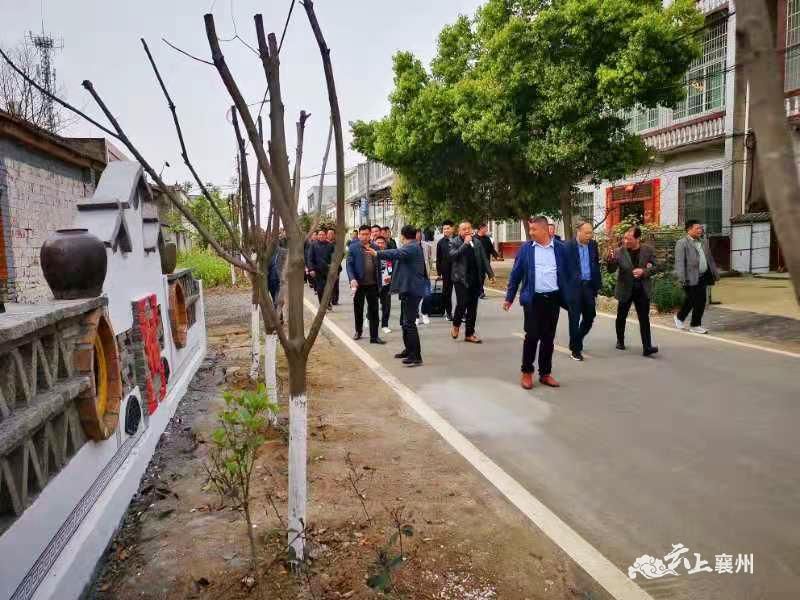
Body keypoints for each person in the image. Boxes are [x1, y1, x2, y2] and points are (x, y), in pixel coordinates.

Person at [504, 216, 567, 389]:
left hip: (553, 299)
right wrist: (509, 298)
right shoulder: (526, 250)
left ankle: (545, 373)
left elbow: (568, 274)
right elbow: (516, 275)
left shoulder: (560, 249)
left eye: (534, 230)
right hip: (533, 299)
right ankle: (527, 372)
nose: (530, 233)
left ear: (545, 230)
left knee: (548, 338)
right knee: (532, 337)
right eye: (530, 229)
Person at [367, 225, 428, 366]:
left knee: (409, 323)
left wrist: (377, 253)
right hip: (408, 289)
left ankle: (416, 356)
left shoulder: (411, 247)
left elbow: (396, 253)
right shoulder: (413, 246)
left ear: (402, 236)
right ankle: (409, 350)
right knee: (405, 322)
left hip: (412, 290)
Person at [607, 226, 659, 357]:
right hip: (625, 288)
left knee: (644, 319)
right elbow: (611, 270)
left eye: (629, 239)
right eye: (624, 238)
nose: (625, 241)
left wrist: (644, 271)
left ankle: (647, 347)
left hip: (642, 289)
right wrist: (611, 260)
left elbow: (657, 266)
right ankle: (620, 340)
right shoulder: (619, 251)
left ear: (637, 239)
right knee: (621, 317)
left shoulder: (648, 250)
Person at [449, 221, 495, 343]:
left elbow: (484, 259)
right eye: (464, 229)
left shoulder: (477, 242)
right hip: (460, 279)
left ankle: (469, 334)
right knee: (462, 303)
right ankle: (456, 325)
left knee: (472, 307)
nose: (467, 231)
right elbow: (453, 256)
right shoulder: (454, 242)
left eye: (469, 228)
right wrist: (465, 244)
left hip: (475, 278)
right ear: (459, 231)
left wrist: (490, 274)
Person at [563, 221, 601, 361]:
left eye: (591, 232)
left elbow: (595, 263)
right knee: (574, 319)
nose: (590, 236)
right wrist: (565, 288)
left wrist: (597, 285)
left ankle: (576, 340)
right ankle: (575, 350)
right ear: (578, 232)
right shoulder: (567, 247)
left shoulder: (593, 245)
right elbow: (562, 269)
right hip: (574, 288)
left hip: (589, 286)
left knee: (590, 316)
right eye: (587, 233)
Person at [674, 220, 720, 334]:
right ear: (689, 230)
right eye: (697, 228)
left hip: (703, 276)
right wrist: (682, 279)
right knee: (696, 301)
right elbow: (679, 263)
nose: (700, 230)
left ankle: (680, 318)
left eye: (700, 228)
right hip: (690, 277)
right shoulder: (682, 243)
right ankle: (695, 325)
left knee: (696, 300)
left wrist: (715, 273)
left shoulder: (703, 242)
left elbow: (709, 259)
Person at [346, 225, 385, 344]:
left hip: (373, 284)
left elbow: (381, 264)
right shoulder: (353, 248)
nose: (364, 236)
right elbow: (349, 265)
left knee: (374, 310)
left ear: (370, 235)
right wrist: (352, 279)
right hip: (359, 284)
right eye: (362, 234)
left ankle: (374, 336)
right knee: (358, 309)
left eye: (367, 234)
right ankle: (358, 331)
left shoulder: (376, 247)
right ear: (359, 235)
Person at [308, 228, 335, 309]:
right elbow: (310, 258)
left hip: (328, 271)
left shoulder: (330, 245)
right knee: (320, 289)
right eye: (319, 235)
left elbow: (335, 257)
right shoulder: (313, 245)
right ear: (317, 236)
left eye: (323, 234)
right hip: (317, 271)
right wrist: (311, 269)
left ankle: (328, 303)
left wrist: (334, 268)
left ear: (325, 235)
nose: (321, 236)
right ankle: (322, 304)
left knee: (328, 288)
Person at [436, 220, 455, 320]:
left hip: (457, 271)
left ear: (452, 228)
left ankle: (461, 312)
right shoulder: (440, 243)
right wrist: (439, 273)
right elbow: (438, 258)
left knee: (461, 293)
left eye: (448, 228)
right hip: (446, 271)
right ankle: (448, 313)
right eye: (444, 229)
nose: (446, 230)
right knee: (447, 292)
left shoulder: (458, 240)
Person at [475, 224, 500, 299]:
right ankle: (480, 291)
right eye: (485, 228)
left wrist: (496, 256)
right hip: (477, 261)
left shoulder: (487, 239)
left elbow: (491, 249)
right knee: (478, 276)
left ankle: (480, 291)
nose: (486, 230)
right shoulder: (474, 238)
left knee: (482, 276)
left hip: (486, 261)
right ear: (481, 228)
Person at [375, 235, 394, 333]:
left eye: (382, 243)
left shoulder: (389, 255)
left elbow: (393, 268)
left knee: (386, 306)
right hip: (374, 284)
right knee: (373, 305)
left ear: (385, 244)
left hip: (386, 284)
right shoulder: (372, 255)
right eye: (378, 243)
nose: (380, 245)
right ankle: (370, 320)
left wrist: (391, 277)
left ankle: (385, 325)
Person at [326, 228, 341, 306]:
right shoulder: (324, 243)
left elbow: (341, 254)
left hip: (336, 266)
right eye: (329, 234)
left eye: (332, 233)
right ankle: (328, 300)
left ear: (334, 235)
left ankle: (335, 300)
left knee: (335, 284)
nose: (330, 235)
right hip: (326, 267)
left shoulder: (337, 244)